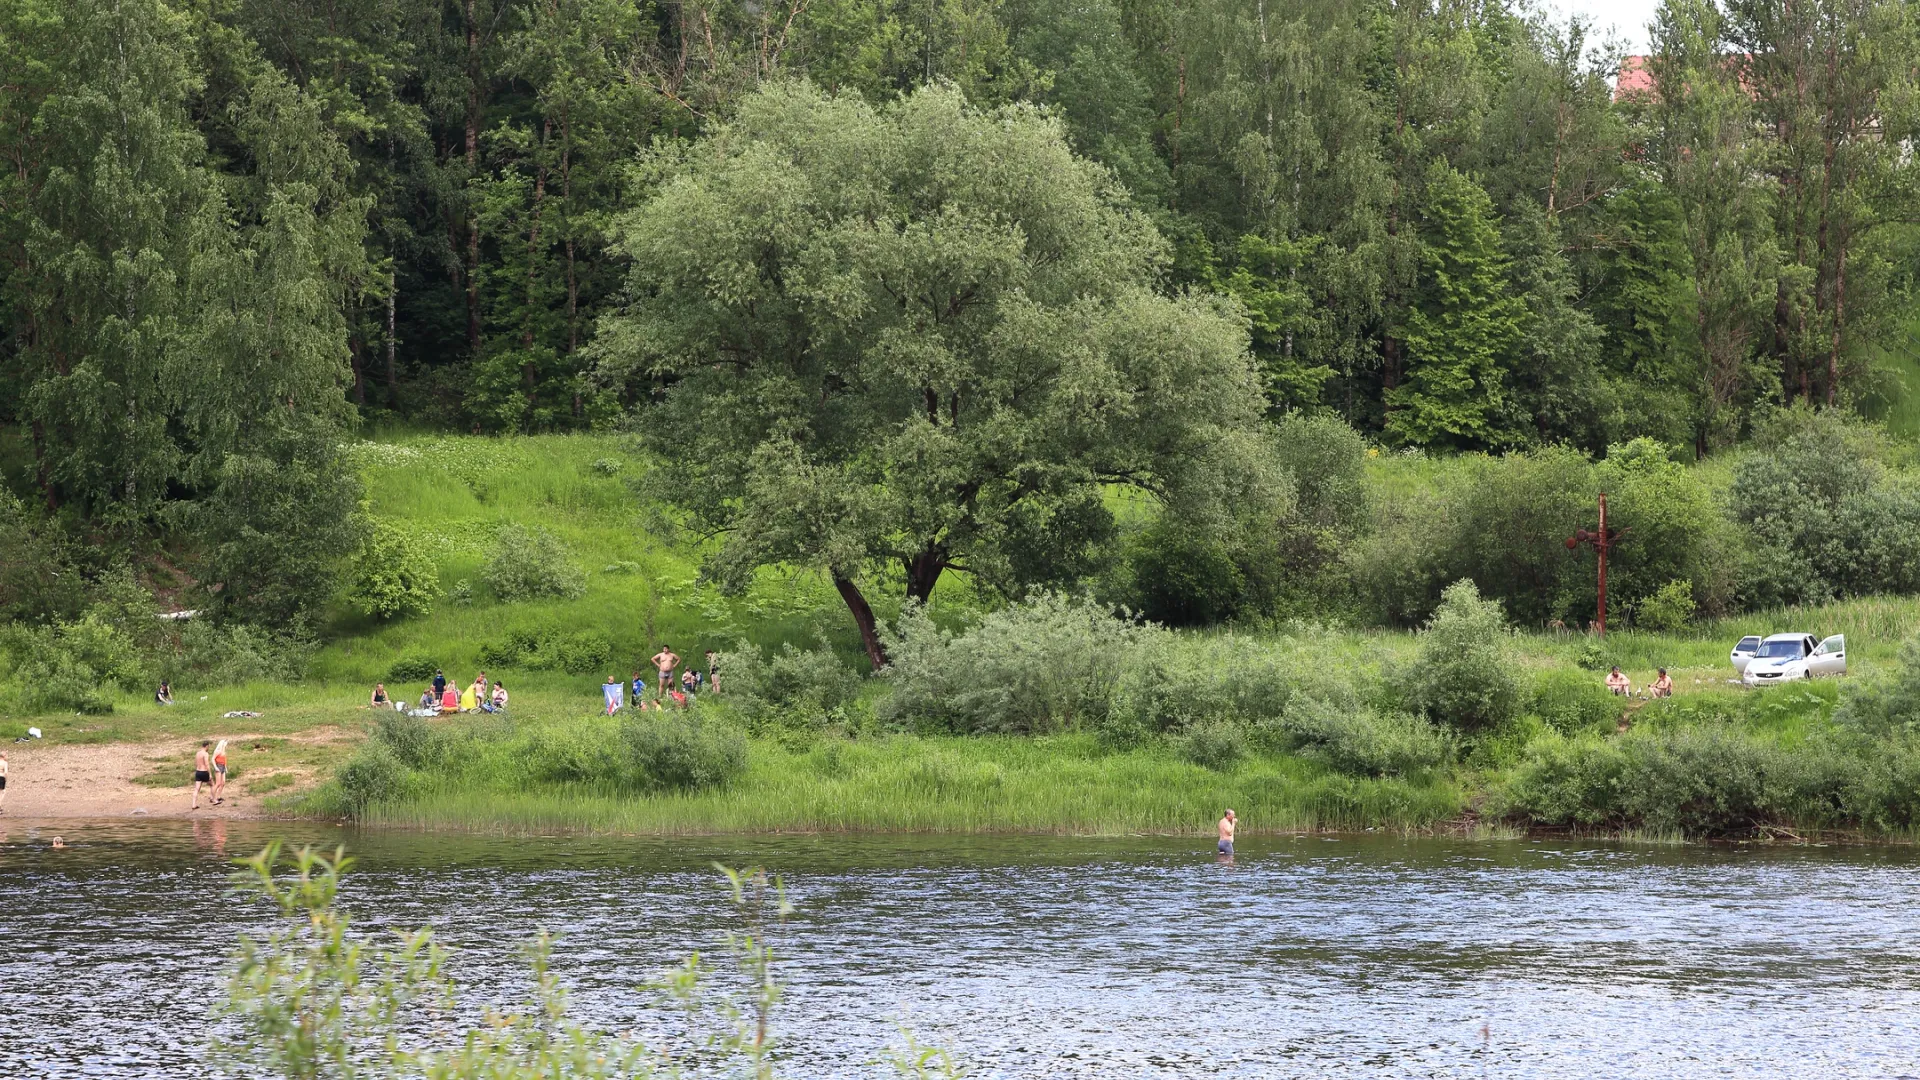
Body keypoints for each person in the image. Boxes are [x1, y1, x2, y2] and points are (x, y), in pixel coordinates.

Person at [192, 741, 214, 810]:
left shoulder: (197, 753)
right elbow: (207, 764)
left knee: (197, 789)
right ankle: (212, 798)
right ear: (207, 746)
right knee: (212, 785)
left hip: (198, 772)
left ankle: (193, 804)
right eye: (208, 747)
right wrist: (210, 773)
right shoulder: (205, 754)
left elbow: (196, 762)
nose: (208, 748)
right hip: (204, 772)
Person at [211, 739, 229, 806]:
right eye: (225, 744)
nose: (226, 746)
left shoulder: (223, 752)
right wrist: (215, 767)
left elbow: (224, 760)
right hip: (218, 766)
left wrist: (225, 767)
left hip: (223, 767)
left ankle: (218, 796)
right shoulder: (217, 751)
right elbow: (212, 759)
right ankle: (213, 798)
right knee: (218, 783)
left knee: (223, 782)